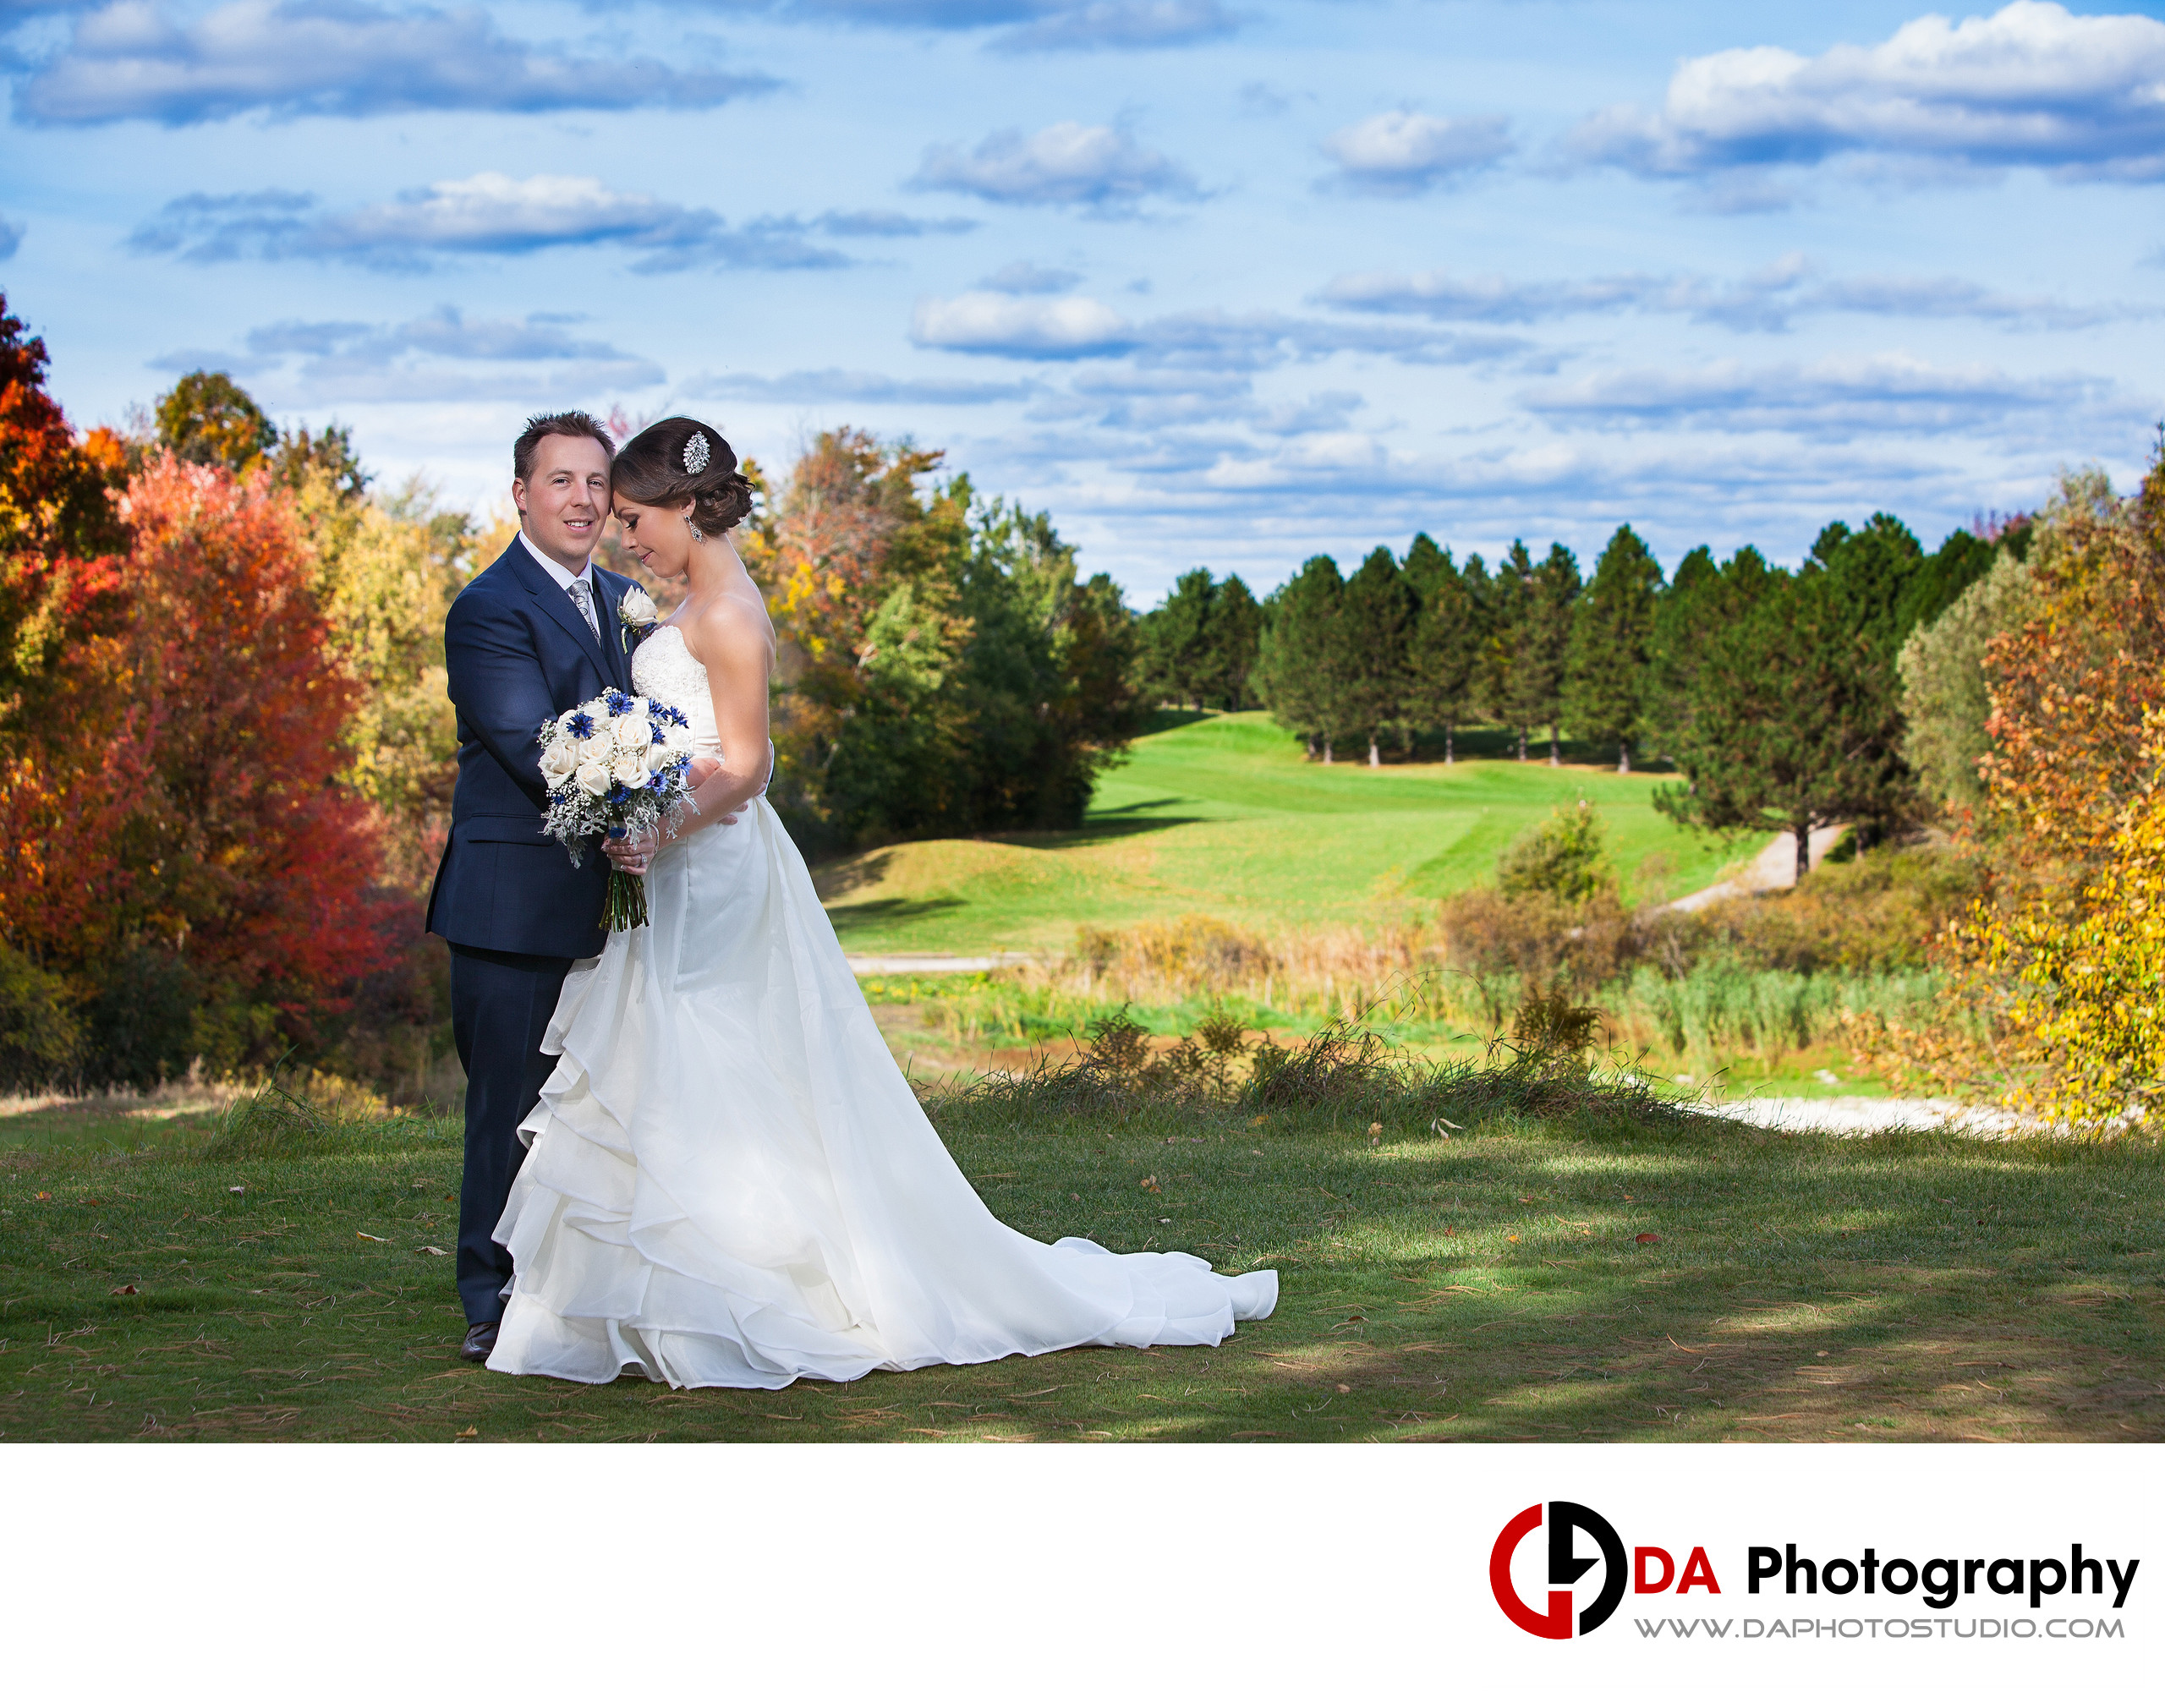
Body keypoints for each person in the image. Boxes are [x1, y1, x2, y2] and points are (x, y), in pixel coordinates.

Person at [485, 417, 1276, 1388]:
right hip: (680, 860)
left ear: (688, 509)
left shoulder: (727, 615)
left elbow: (747, 765)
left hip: (713, 865)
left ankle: (742, 1290)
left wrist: (656, 823)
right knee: (670, 1060)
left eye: (639, 518)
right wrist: (642, 794)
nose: (626, 536)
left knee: (714, 1054)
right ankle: (674, 1293)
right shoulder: (691, 599)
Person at [427, 412, 666, 1364]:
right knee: (509, 1108)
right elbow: (532, 741)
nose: (581, 498)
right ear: (520, 494)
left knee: (599, 1104)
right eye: (560, 480)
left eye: (596, 482)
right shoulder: (486, 607)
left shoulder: (626, 598)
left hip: (618, 902)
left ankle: (582, 1281)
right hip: (513, 902)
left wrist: (663, 808)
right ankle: (491, 1296)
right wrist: (623, 817)